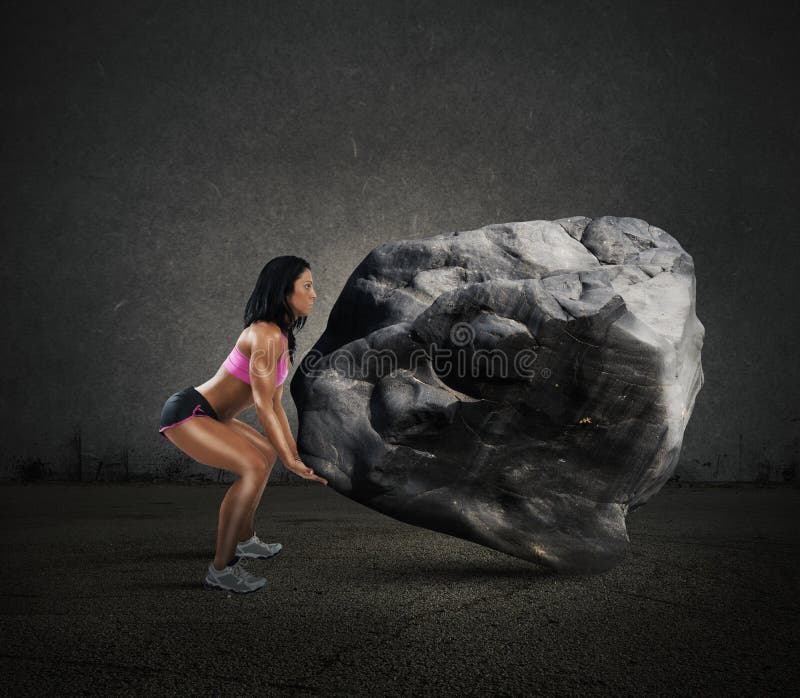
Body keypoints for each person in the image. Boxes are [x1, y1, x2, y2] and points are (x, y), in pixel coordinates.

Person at [158, 256, 327, 594]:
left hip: (212, 415)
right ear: (284, 290)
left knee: (265, 455)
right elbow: (263, 406)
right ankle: (221, 569)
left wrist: (291, 454)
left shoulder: (280, 337)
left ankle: (245, 539)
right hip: (188, 413)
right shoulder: (263, 336)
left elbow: (276, 403)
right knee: (251, 466)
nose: (314, 294)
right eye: (307, 286)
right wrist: (292, 461)